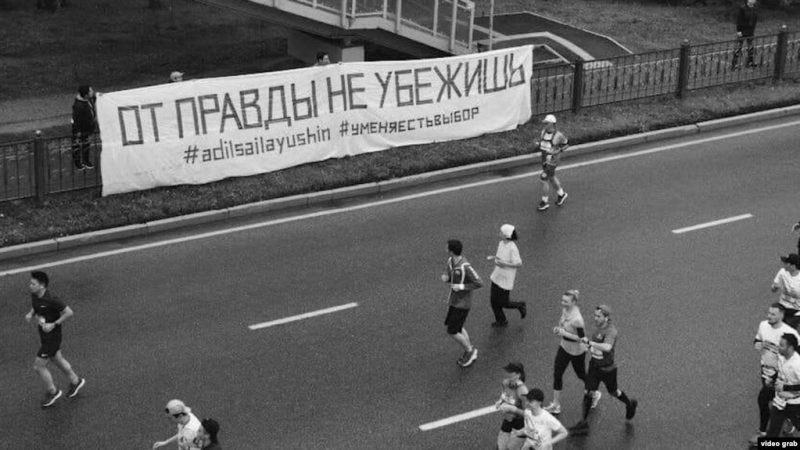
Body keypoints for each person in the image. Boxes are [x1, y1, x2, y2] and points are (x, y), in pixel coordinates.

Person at [569, 305, 638, 435]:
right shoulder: (598, 327)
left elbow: (607, 347)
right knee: (588, 392)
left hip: (608, 369)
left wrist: (590, 343)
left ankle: (630, 404)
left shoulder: (611, 331)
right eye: (595, 315)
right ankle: (583, 423)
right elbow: (595, 347)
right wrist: (587, 347)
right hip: (594, 366)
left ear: (606, 317)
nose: (595, 318)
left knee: (613, 392)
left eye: (598, 316)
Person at [24, 271, 86, 408]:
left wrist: (54, 324)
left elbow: (69, 312)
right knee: (57, 359)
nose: (30, 285)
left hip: (52, 337)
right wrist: (30, 313)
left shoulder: (52, 299)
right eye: (30, 283)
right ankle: (76, 381)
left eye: (33, 284)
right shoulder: (35, 294)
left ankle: (53, 391)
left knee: (38, 366)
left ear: (42, 286)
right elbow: (36, 306)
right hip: (44, 334)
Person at [751, 304, 800, 445]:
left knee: (767, 400)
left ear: (781, 315)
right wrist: (757, 344)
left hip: (787, 385)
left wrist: (784, 385)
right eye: (769, 313)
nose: (769, 316)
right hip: (767, 373)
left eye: (773, 314)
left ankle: (768, 433)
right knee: (770, 403)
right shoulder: (763, 326)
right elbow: (757, 340)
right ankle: (768, 433)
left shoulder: (790, 335)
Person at [544, 290, 589, 415]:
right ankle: (556, 404)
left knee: (581, 374)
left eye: (566, 301)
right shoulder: (566, 310)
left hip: (576, 351)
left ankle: (593, 391)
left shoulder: (577, 320)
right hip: (564, 347)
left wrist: (564, 333)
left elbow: (582, 339)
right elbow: (563, 324)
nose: (562, 303)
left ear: (574, 302)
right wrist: (559, 329)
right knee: (557, 373)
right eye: (562, 300)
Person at [441, 239, 483, 368]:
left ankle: (470, 351)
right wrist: (446, 276)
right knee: (456, 327)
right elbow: (448, 273)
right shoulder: (450, 261)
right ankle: (469, 348)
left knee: (452, 331)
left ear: (451, 250)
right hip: (454, 301)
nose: (445, 248)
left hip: (463, 304)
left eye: (447, 246)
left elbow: (479, 282)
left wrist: (462, 286)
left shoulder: (465, 266)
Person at [487, 224, 526, 327]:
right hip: (497, 275)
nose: (499, 233)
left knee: (503, 302)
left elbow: (518, 264)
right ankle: (501, 320)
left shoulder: (512, 248)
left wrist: (504, 264)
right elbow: (500, 257)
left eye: (501, 232)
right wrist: (495, 258)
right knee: (493, 301)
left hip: (506, 278)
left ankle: (520, 305)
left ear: (506, 235)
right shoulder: (501, 243)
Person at [766, 334, 800, 437]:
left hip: (795, 403)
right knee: (773, 431)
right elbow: (781, 370)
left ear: (790, 348)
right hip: (780, 401)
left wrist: (785, 387)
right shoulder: (781, 356)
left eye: (781, 345)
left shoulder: (797, 365)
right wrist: (772, 379)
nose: (778, 347)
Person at [534, 114, 568, 212]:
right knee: (551, 178)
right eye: (544, 123)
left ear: (552, 124)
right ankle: (561, 194)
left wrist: (558, 151)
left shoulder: (559, 135)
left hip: (553, 161)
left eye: (547, 123)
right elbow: (543, 144)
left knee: (543, 178)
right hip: (544, 159)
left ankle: (544, 202)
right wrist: (538, 144)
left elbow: (566, 145)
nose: (544, 124)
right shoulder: (543, 132)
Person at [495, 362, 529, 450]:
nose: (508, 378)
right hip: (508, 419)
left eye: (511, 375)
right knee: (500, 446)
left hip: (520, 424)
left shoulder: (523, 391)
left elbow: (528, 414)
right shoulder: (505, 383)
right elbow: (504, 394)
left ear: (518, 375)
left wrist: (513, 409)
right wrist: (500, 401)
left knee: (512, 448)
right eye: (507, 375)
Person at [772, 254, 800, 329]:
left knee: (787, 331)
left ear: (793, 266)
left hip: (796, 310)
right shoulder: (782, 272)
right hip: (782, 307)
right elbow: (773, 289)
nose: (784, 265)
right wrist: (775, 287)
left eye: (786, 263)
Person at [71, 84, 96, 170]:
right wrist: (77, 131)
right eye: (90, 91)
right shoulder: (79, 106)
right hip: (80, 129)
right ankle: (77, 162)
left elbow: (95, 99)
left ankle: (86, 160)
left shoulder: (88, 100)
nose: (92, 92)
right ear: (86, 95)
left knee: (86, 144)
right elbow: (76, 119)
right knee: (77, 145)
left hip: (87, 128)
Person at [731, 0, 758, 70]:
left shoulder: (755, 8)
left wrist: (752, 30)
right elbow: (739, 20)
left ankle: (750, 62)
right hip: (742, 30)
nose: (754, 1)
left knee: (751, 47)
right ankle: (734, 64)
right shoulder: (742, 8)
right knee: (738, 48)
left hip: (750, 31)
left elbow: (755, 20)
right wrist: (739, 31)